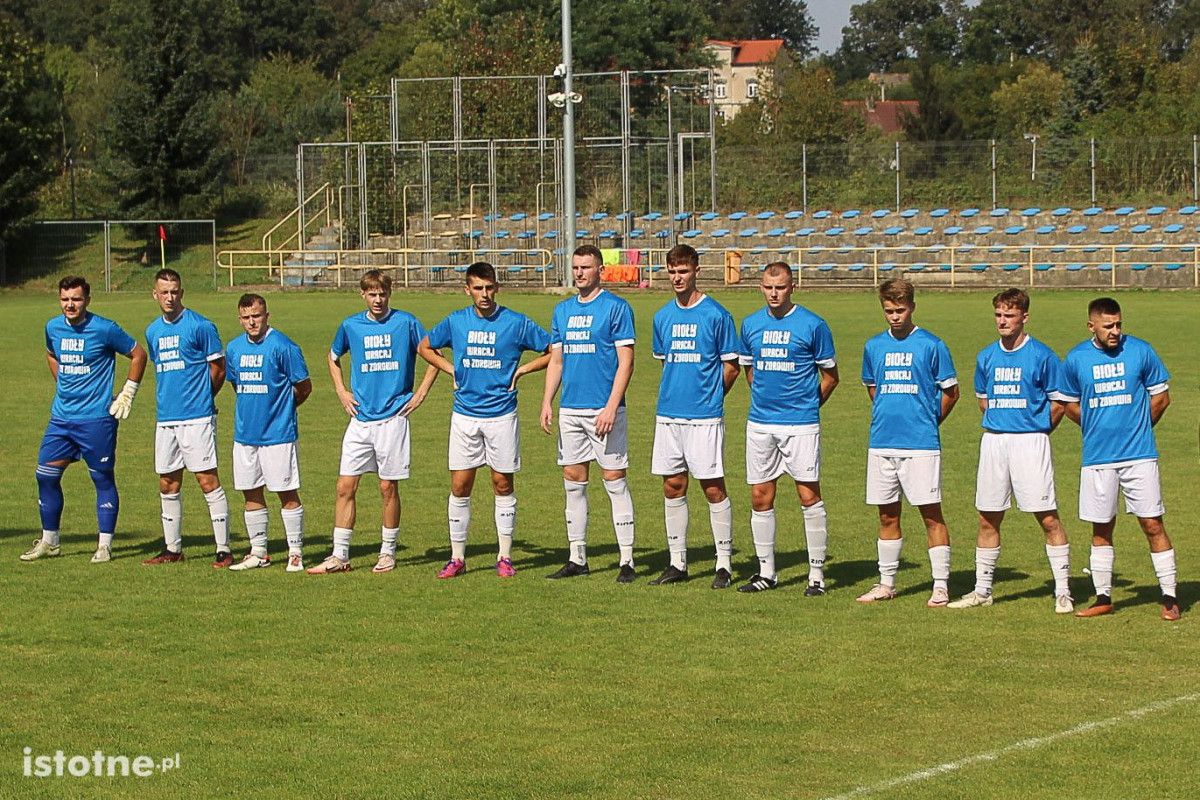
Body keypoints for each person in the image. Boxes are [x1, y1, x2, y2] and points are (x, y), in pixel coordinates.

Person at [418, 262, 551, 578]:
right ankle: (457, 557)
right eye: (478, 288)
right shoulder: (456, 321)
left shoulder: (515, 323)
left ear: (497, 288)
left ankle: (504, 556)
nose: (485, 294)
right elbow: (425, 346)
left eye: (489, 287)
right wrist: (449, 368)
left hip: (502, 415)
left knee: (502, 483)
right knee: (460, 485)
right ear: (467, 290)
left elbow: (553, 350)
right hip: (464, 415)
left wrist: (523, 370)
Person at [948, 289, 1074, 613]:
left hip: (1030, 442)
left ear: (1024, 318)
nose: (1002, 321)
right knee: (987, 517)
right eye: (998, 315)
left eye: (1009, 315)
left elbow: (1058, 402)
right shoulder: (986, 356)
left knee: (1047, 517)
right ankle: (982, 591)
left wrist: (1039, 429)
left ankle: (1063, 591)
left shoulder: (1043, 356)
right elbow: (982, 400)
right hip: (994, 441)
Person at [308, 270, 439, 575]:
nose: (378, 300)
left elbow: (434, 355)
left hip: (393, 417)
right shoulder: (351, 325)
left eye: (382, 294)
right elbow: (332, 356)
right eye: (372, 294)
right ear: (362, 295)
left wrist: (420, 393)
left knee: (386, 487)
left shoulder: (406, 322)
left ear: (389, 294)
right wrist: (341, 391)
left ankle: (388, 552)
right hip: (360, 419)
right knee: (344, 486)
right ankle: (340, 556)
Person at [1058, 297, 1179, 620]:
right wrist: (1096, 426)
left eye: (1118, 324)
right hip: (1098, 457)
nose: (1115, 331)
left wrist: (1136, 427)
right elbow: (1067, 402)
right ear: (1091, 326)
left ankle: (1169, 596)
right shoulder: (1076, 359)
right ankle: (1103, 597)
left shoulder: (1141, 351)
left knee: (1152, 523)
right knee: (1101, 528)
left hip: (1139, 455)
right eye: (1108, 326)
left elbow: (1161, 398)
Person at [24, 276, 147, 563]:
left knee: (102, 478)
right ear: (59, 300)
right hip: (61, 419)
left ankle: (105, 545)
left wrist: (128, 392)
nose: (71, 304)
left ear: (87, 300)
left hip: (96, 420)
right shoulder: (52, 327)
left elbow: (138, 354)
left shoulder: (104, 328)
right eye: (65, 299)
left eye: (76, 299)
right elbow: (51, 354)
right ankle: (50, 541)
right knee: (45, 475)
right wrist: (63, 383)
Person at [736, 262, 838, 594]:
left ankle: (816, 576)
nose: (774, 293)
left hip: (801, 426)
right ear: (760, 287)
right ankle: (767, 573)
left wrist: (808, 405)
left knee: (808, 496)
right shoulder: (750, 325)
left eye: (780, 286)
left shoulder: (813, 325)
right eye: (768, 287)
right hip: (761, 425)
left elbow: (830, 376)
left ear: (792, 286)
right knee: (760, 496)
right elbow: (750, 372)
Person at [857, 278, 959, 607]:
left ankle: (941, 584)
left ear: (912, 307)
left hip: (921, 445)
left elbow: (951, 392)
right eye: (889, 311)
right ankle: (886, 583)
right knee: (887, 516)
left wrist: (929, 420)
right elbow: (873, 388)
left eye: (900, 310)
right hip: (882, 442)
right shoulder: (874, 346)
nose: (895, 316)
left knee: (931, 515)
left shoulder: (932, 345)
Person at [540, 245, 638, 582]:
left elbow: (627, 361)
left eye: (586, 267)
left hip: (604, 409)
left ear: (601, 271)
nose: (580, 272)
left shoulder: (616, 308)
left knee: (614, 480)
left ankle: (627, 560)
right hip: (571, 410)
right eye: (576, 267)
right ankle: (577, 557)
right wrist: (547, 401)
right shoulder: (562, 310)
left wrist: (612, 405)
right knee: (573, 483)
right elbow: (557, 360)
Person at [648, 244, 740, 589]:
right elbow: (665, 361)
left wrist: (712, 396)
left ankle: (724, 564)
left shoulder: (716, 315)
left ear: (696, 271)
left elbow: (731, 365)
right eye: (672, 271)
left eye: (683, 271)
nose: (677, 277)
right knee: (673, 485)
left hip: (704, 417)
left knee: (713, 487)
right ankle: (677, 562)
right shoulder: (662, 317)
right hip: (669, 414)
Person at [141, 269, 232, 568]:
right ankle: (172, 548)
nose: (170, 297)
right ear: (155, 294)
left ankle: (223, 548)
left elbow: (218, 368)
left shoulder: (200, 326)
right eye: (164, 292)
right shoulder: (153, 330)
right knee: (168, 482)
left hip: (197, 417)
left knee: (207, 480)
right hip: (165, 418)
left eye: (175, 291)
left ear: (182, 292)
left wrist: (204, 399)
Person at [224, 294, 312, 572]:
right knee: (250, 493)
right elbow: (236, 384)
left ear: (267, 316)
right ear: (240, 319)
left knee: (286, 492)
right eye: (247, 317)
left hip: (278, 435)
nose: (252, 322)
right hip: (245, 435)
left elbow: (304, 386)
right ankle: (258, 551)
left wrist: (283, 408)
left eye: (257, 316)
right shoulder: (234, 348)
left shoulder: (283, 346)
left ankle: (295, 552)